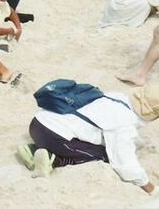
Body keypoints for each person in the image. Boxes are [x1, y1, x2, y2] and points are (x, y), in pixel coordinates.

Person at [17, 83, 157, 193]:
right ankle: (53, 159)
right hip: (54, 136)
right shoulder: (126, 123)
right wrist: (149, 187)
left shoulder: (116, 96)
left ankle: (34, 150)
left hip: (37, 123)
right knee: (104, 155)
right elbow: (124, 164)